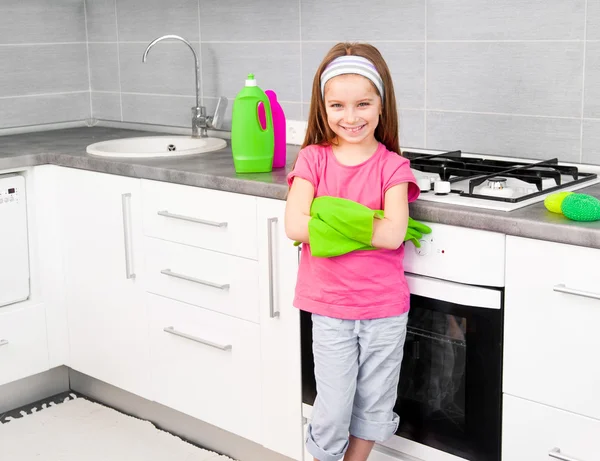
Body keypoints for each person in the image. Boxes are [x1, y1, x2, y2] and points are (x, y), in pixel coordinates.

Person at [284, 42, 420, 461]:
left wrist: (327, 220)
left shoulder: (393, 166)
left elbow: (394, 234)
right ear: (323, 108)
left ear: (382, 105)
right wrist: (366, 223)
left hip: (384, 309)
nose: (351, 116)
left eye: (363, 103)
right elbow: (294, 225)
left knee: (375, 404)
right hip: (330, 307)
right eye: (337, 105)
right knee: (333, 408)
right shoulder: (313, 159)